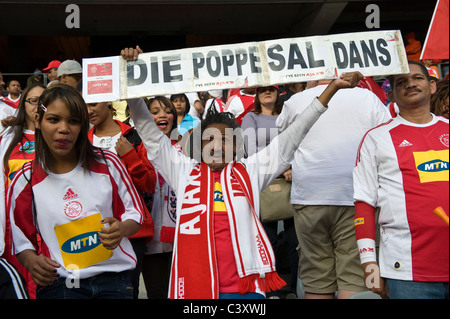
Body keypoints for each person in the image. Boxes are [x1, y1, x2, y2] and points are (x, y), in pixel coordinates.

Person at [121, 45, 365, 299]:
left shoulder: (250, 170)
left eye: (225, 139)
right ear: (199, 145)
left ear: (237, 146)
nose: (217, 145)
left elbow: (294, 134)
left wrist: (332, 89)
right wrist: (130, 75)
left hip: (246, 290)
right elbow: (147, 131)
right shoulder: (182, 170)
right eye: (209, 139)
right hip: (196, 288)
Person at [7, 84, 143, 299]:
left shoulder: (109, 163)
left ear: (83, 126)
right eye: (53, 119)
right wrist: (31, 261)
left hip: (115, 280)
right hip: (60, 283)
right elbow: (20, 238)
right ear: (39, 122)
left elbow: (135, 212)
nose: (64, 128)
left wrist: (122, 228)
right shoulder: (25, 178)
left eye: (73, 121)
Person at [276, 75, 392, 299]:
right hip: (356, 197)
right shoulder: (367, 97)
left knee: (317, 281)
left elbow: (284, 143)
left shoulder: (296, 101)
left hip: (310, 197)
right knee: (357, 278)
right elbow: (386, 138)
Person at [353, 61, 449, 299]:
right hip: (406, 272)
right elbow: (364, 204)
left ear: (432, 86)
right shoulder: (376, 139)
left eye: (417, 78)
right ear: (390, 94)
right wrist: (369, 263)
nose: (410, 84)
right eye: (401, 82)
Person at [87, 99, 156, 299]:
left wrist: (130, 156)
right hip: (92, 230)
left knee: (127, 292)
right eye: (84, 106)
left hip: (131, 231)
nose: (89, 111)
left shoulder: (134, 136)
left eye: (93, 104)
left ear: (108, 101)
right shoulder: (81, 139)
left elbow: (149, 184)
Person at [241, 85, 298, 298]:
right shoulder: (251, 118)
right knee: (267, 240)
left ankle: (292, 288)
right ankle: (270, 288)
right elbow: (252, 149)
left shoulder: (287, 117)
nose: (267, 92)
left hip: (292, 181)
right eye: (262, 89)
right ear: (256, 94)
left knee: (295, 241)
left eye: (272, 89)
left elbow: (297, 144)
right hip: (264, 183)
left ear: (278, 93)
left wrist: (294, 169)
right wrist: (283, 169)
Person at [0, 83, 46, 298]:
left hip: (48, 224)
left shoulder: (57, 135)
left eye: (44, 100)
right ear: (22, 104)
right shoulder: (8, 137)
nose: (38, 105)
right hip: (13, 224)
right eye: (33, 100)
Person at [141, 96, 179, 299]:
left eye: (166, 110)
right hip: (150, 240)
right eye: (155, 112)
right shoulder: (137, 150)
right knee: (157, 294)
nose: (162, 115)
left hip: (181, 241)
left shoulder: (187, 149)